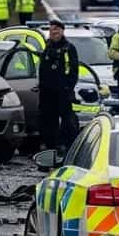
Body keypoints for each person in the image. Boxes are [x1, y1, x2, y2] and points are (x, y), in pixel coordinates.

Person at [38, 20, 80, 151]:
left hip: (63, 92)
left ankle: (69, 148)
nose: (54, 32)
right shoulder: (48, 47)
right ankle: (50, 147)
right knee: (48, 122)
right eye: (51, 30)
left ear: (62, 31)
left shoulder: (69, 48)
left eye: (56, 29)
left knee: (68, 122)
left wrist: (67, 88)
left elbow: (73, 71)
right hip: (47, 93)